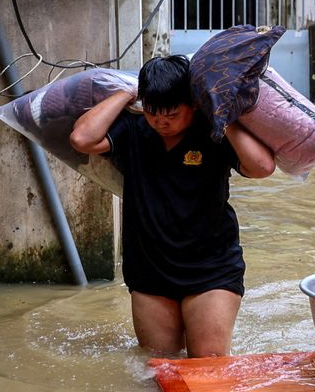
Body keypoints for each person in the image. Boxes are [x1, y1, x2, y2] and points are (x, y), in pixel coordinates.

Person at [70, 56, 275, 357]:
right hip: (150, 269)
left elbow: (262, 167)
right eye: (153, 113)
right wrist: (128, 93)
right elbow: (81, 139)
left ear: (192, 104)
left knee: (209, 366)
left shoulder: (212, 131)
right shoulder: (134, 127)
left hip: (212, 268)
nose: (161, 122)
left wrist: (221, 114)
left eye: (172, 114)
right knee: (160, 368)